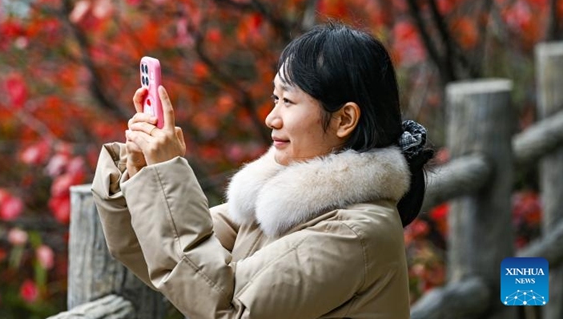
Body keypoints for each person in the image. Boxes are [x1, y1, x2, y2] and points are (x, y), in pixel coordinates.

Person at [91, 22, 433, 319]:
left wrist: (167, 172)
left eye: (288, 101)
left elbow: (226, 306)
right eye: (274, 99)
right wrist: (139, 173)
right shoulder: (278, 200)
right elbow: (159, 252)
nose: (272, 118)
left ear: (344, 119)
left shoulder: (357, 233)